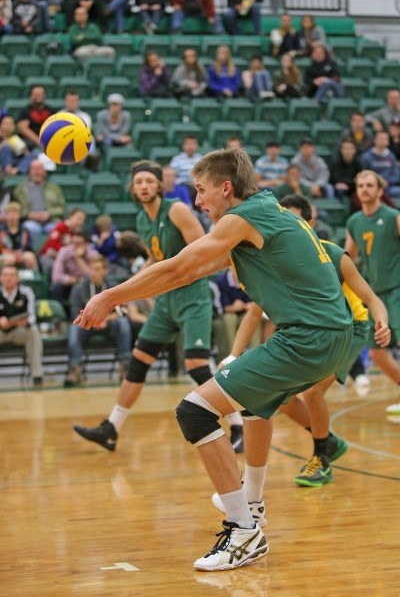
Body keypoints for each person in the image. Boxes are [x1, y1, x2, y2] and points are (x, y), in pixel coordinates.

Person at [75, 149, 354, 571]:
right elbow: (188, 272)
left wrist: (110, 296)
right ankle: (253, 507)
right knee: (258, 409)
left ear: (226, 188)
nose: (198, 200)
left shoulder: (243, 217)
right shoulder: (266, 213)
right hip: (331, 336)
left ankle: (243, 530)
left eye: (202, 190)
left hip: (308, 339)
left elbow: (179, 267)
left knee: (195, 411)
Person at [211, 193, 389, 493]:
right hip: (309, 333)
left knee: (313, 392)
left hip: (349, 328)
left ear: (308, 224)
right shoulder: (274, 261)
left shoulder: (333, 255)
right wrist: (233, 354)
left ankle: (322, 457)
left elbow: (371, 298)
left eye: (292, 221)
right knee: (276, 396)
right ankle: (328, 441)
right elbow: (254, 312)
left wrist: (381, 321)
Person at [73, 160, 244, 454]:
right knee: (139, 361)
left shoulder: (176, 209)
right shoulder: (142, 219)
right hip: (166, 301)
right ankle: (111, 428)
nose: (143, 186)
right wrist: (127, 292)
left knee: (196, 365)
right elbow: (156, 260)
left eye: (149, 181)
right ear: (132, 187)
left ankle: (238, 425)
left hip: (192, 296)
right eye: (138, 181)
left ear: (159, 186)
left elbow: (203, 249)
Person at [345, 170, 400, 417]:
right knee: (377, 352)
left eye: (369, 185)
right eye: (360, 186)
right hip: (376, 296)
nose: (364, 189)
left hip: (397, 289)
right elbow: (348, 259)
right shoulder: (354, 222)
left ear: (379, 191)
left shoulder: (393, 217)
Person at [64, 254, 131, 387]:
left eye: (98, 269)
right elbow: (74, 313)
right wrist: (94, 320)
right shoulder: (79, 288)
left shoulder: (113, 286)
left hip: (109, 324)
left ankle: (125, 367)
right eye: (92, 269)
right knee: (73, 330)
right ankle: (75, 369)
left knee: (123, 323)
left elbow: (123, 310)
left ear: (105, 270)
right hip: (86, 325)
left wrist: (104, 318)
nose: (93, 272)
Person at [0, 264, 43, 385]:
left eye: (12, 275)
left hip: (19, 330)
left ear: (18, 278)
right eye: (5, 275)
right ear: (0, 278)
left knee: (33, 331)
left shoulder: (26, 292)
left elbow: (32, 317)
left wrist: (17, 322)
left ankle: (37, 375)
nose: (8, 278)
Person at [13, 159, 66, 237]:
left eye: (39, 169)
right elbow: (15, 208)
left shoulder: (55, 188)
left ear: (44, 171)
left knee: (57, 228)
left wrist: (49, 213)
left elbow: (62, 208)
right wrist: (28, 214)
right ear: (30, 171)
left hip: (51, 221)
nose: (37, 172)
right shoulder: (20, 190)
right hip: (30, 221)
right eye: (34, 169)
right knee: (28, 227)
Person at [51, 230, 96, 302]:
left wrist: (79, 259)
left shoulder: (92, 255)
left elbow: (93, 276)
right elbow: (56, 277)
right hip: (68, 285)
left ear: (86, 244)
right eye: (73, 243)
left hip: (85, 286)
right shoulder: (64, 251)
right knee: (57, 287)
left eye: (78, 244)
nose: (75, 246)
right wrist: (75, 280)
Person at [40, 208, 86, 275]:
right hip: (49, 256)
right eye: (78, 219)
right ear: (70, 217)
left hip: (65, 258)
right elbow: (53, 244)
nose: (80, 222)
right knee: (59, 268)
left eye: (82, 220)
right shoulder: (60, 227)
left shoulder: (78, 233)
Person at [361, 131, 400, 198]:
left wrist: (388, 181)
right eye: (380, 138)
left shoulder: (391, 156)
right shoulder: (366, 157)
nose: (383, 141)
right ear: (375, 140)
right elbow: (364, 174)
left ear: (388, 142)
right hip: (371, 186)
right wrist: (376, 182)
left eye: (385, 139)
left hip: (388, 187)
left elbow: (396, 174)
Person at [0, 202, 38, 270]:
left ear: (19, 215)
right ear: (6, 215)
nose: (12, 216)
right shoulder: (1, 230)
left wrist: (20, 253)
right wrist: (13, 253)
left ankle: (34, 279)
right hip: (5, 254)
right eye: (10, 213)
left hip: (21, 253)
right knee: (9, 259)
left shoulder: (25, 230)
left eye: (15, 213)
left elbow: (28, 247)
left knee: (30, 257)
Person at [16, 86, 55, 151]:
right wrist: (39, 142)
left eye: (40, 94)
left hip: (48, 140)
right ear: (31, 96)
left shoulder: (50, 110)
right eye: (36, 94)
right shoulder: (25, 110)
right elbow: (23, 128)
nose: (38, 96)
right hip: (30, 142)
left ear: (44, 95)